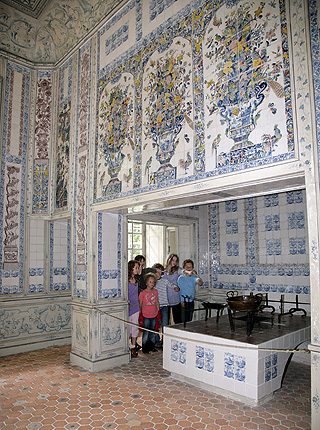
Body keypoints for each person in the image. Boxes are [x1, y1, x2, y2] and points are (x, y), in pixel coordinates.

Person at [152, 263, 176, 348]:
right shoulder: (152, 282)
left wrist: (175, 287)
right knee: (155, 324)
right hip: (154, 306)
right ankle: (156, 341)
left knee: (165, 324)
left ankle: (165, 342)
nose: (158, 274)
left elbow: (171, 284)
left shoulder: (164, 280)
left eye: (159, 272)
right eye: (156, 272)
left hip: (164, 305)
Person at [139, 272, 160, 354]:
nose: (152, 283)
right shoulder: (142, 293)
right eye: (150, 281)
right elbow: (140, 304)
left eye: (153, 282)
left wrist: (158, 311)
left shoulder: (155, 292)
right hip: (146, 315)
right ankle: (144, 347)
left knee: (153, 331)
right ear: (146, 282)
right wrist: (140, 314)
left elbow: (157, 302)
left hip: (154, 314)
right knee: (146, 331)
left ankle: (152, 346)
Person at [164, 253, 183, 324]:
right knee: (166, 320)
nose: (174, 262)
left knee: (177, 319)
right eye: (173, 260)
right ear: (169, 260)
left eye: (176, 261)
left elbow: (184, 272)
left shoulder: (178, 270)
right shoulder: (164, 271)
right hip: (166, 298)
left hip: (175, 297)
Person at [128, 260, 140, 358]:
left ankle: (133, 346)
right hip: (127, 307)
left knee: (134, 327)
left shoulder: (138, 280)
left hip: (136, 306)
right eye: (136, 267)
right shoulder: (126, 280)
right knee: (127, 327)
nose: (137, 269)